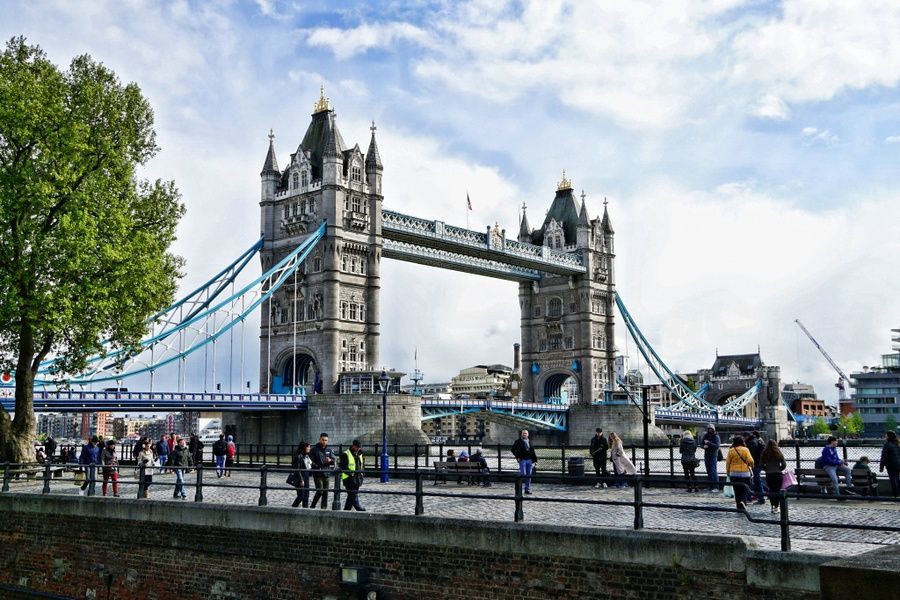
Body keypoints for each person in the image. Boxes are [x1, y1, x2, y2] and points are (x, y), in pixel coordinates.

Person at [725, 436, 754, 511]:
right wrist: (751, 466)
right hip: (744, 473)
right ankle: (743, 501)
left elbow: (728, 463)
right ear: (742, 442)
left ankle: (739, 507)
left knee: (737, 490)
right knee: (745, 488)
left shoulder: (731, 450)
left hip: (734, 473)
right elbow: (751, 461)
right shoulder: (745, 450)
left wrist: (728, 472)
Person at [760, 439, 787, 513]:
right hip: (778, 474)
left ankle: (772, 506)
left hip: (769, 474)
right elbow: (784, 464)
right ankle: (776, 507)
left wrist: (766, 469)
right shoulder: (778, 452)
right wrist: (779, 469)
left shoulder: (764, 453)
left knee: (771, 490)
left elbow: (761, 465)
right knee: (777, 491)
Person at [310, 433, 335, 509]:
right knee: (320, 491)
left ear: (327, 441)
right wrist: (317, 467)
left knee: (325, 492)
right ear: (319, 439)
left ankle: (324, 508)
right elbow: (311, 461)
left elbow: (334, 460)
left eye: (326, 440)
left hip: (326, 473)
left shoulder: (329, 450)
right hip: (318, 473)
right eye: (322, 440)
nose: (324, 442)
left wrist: (330, 460)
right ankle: (312, 506)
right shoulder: (314, 449)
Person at [340, 439, 366, 511]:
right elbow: (342, 466)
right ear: (353, 446)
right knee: (353, 495)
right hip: (349, 479)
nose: (358, 449)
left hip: (358, 479)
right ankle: (359, 509)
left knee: (350, 497)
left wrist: (362, 474)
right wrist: (350, 473)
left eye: (359, 447)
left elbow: (363, 465)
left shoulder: (360, 454)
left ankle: (346, 511)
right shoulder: (346, 454)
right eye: (357, 447)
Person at [511, 429, 538, 495]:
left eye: (525, 433)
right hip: (522, 460)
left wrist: (535, 460)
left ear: (528, 434)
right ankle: (518, 488)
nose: (524, 434)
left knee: (528, 476)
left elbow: (532, 451)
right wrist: (517, 457)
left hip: (530, 460)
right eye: (523, 433)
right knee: (523, 475)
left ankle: (527, 489)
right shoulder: (518, 441)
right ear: (521, 434)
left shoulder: (530, 441)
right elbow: (512, 449)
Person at [747, 431, 767, 505]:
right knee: (757, 479)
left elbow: (751, 454)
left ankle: (761, 497)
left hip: (756, 463)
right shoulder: (758, 441)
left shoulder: (752, 442)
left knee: (757, 480)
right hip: (759, 463)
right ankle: (765, 493)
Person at [291, 442, 313, 508]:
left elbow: (311, 464)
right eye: (308, 447)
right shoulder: (298, 456)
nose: (309, 448)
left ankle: (305, 511)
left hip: (306, 477)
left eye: (309, 447)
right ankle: (293, 508)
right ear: (304, 448)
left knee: (306, 496)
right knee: (301, 496)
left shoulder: (306, 456)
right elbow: (297, 469)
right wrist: (301, 480)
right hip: (300, 478)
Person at [701, 424, 722, 492]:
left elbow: (717, 446)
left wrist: (709, 443)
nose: (710, 430)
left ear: (713, 429)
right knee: (708, 471)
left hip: (713, 455)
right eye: (709, 429)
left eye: (711, 429)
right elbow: (701, 443)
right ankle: (710, 486)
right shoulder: (706, 435)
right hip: (706, 455)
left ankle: (716, 487)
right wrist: (703, 446)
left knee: (713, 471)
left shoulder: (716, 436)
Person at [880, 430, 900, 497]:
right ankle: (898, 494)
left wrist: (881, 467)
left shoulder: (887, 445)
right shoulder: (897, 444)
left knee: (893, 480)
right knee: (897, 479)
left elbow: (883, 457)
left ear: (888, 436)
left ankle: (895, 495)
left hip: (891, 465)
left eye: (886, 435)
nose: (885, 436)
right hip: (898, 464)